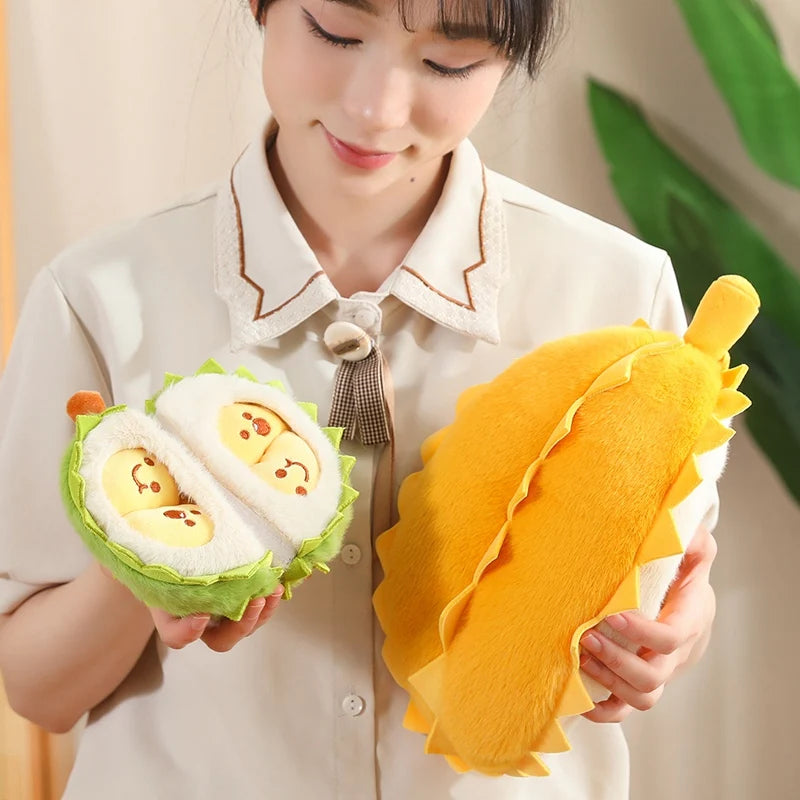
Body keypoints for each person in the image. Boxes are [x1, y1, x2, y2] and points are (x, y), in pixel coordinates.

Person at [0, 0, 719, 797]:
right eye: (336, 33)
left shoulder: (614, 285)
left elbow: (674, 575)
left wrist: (671, 640)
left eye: (448, 63)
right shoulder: (98, 293)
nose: (376, 109)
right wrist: (159, 556)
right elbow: (37, 692)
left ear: (509, 55)